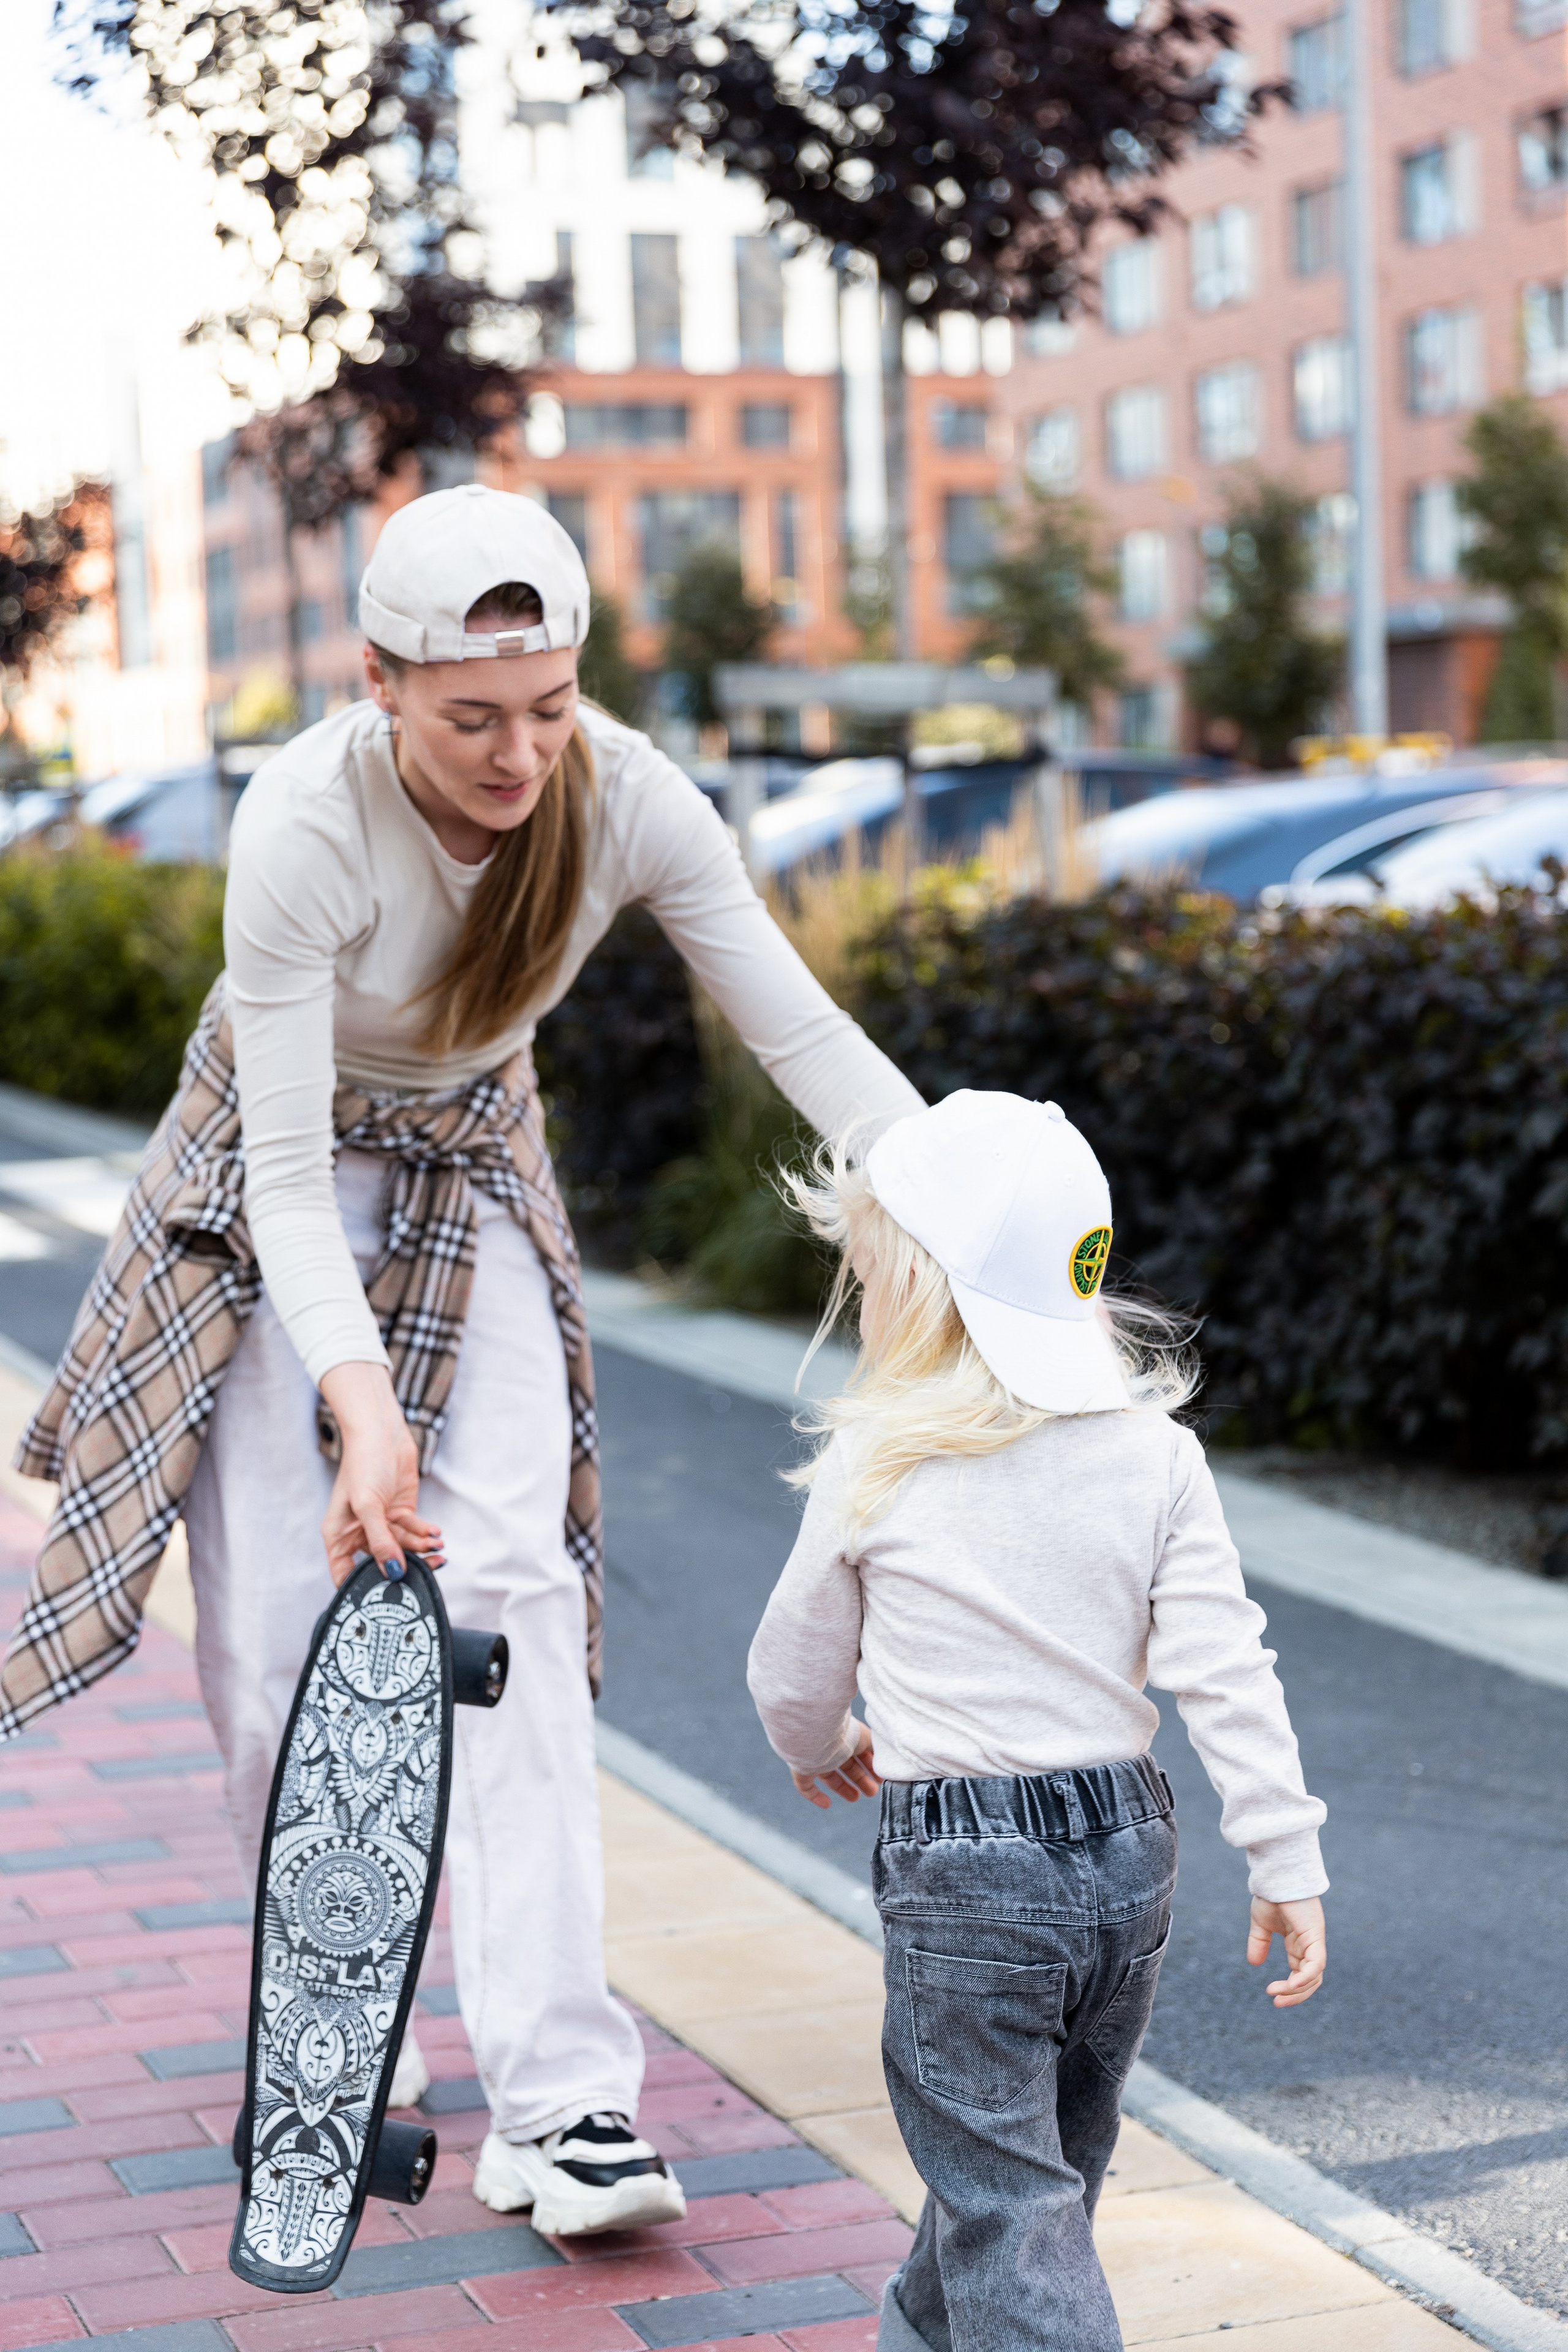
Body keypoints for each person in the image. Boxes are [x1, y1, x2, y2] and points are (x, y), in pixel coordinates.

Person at [6, 485, 924, 2237]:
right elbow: (283, 1171)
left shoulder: (628, 797)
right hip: (269, 1177)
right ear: (380, 684)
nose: (519, 755)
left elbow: (795, 1023)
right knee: (284, 1623)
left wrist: (961, 1192)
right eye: (471, 719)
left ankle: (565, 2105)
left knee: (509, 1600)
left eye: (550, 709)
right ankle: (341, 2037)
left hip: (470, 1156)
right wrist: (359, 1410)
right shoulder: (304, 825)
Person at [746, 1090, 1327, 2352]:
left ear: (916, 1283)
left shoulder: (880, 1457)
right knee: (1031, 2164)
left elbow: (790, 1669)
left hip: (965, 1873)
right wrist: (1282, 1856)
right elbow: (1225, 1665)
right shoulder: (1151, 1453)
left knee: (1003, 2186)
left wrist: (820, 1744)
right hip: (1127, 1859)